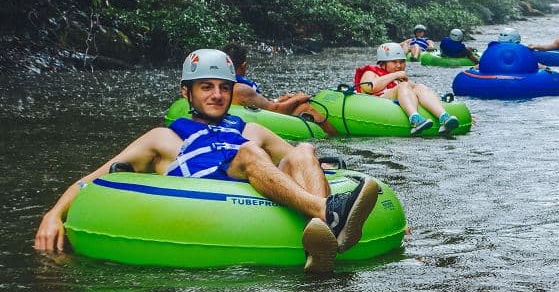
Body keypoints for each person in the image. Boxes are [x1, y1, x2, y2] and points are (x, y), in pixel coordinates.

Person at [34, 49, 379, 274]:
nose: (217, 94)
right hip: (213, 205)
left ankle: (329, 228)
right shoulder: (163, 139)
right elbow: (93, 179)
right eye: (206, 87)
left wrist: (365, 203)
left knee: (304, 149)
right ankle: (330, 213)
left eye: (223, 88)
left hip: (260, 198)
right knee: (249, 153)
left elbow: (301, 163)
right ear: (187, 93)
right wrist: (54, 214)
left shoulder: (251, 129)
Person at [223, 43, 336, 136]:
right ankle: (333, 138)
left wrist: (281, 99)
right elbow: (275, 110)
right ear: (244, 66)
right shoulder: (241, 89)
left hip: (245, 116)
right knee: (305, 108)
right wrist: (298, 99)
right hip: (259, 123)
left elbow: (261, 104)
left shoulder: (221, 85)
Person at [354, 43, 459, 135]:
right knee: (404, 85)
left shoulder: (401, 79)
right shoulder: (370, 72)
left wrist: (456, 111)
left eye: (402, 61)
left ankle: (444, 117)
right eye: (394, 62)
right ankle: (415, 120)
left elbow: (426, 93)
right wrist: (396, 75)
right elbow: (371, 87)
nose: (399, 65)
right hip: (377, 105)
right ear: (383, 63)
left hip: (397, 101)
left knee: (419, 87)